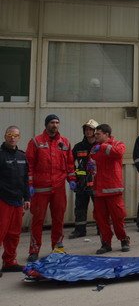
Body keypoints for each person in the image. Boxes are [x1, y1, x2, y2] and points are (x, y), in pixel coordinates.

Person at [26, 114, 76, 262]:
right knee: (38, 220)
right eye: (52, 122)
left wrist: (72, 179)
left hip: (58, 188)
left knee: (58, 219)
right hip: (40, 188)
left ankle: (58, 248)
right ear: (46, 124)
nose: (55, 125)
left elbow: (70, 164)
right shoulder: (36, 142)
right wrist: (29, 184)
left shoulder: (65, 142)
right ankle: (34, 250)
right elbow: (29, 165)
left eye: (57, 122)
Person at [90, 124, 130, 254]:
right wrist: (90, 166)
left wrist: (102, 146)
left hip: (113, 189)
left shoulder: (118, 144)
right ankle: (106, 243)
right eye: (95, 134)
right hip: (99, 189)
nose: (95, 136)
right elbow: (92, 164)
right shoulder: (94, 148)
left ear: (106, 134)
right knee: (101, 219)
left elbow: (118, 153)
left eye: (98, 134)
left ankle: (124, 240)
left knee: (118, 218)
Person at [0, 126, 30, 273]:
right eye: (10, 134)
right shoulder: (0, 155)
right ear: (5, 136)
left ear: (19, 137)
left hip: (18, 201)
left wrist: (27, 198)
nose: (12, 137)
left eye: (16, 135)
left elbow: (25, 180)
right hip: (3, 200)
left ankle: (9, 262)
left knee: (13, 234)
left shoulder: (22, 156)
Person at [69, 119, 98, 239]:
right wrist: (73, 179)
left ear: (96, 131)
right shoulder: (78, 147)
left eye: (91, 129)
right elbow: (70, 163)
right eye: (86, 129)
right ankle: (79, 230)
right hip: (81, 183)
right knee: (80, 208)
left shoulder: (100, 146)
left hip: (97, 183)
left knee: (99, 208)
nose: (88, 131)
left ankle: (102, 229)